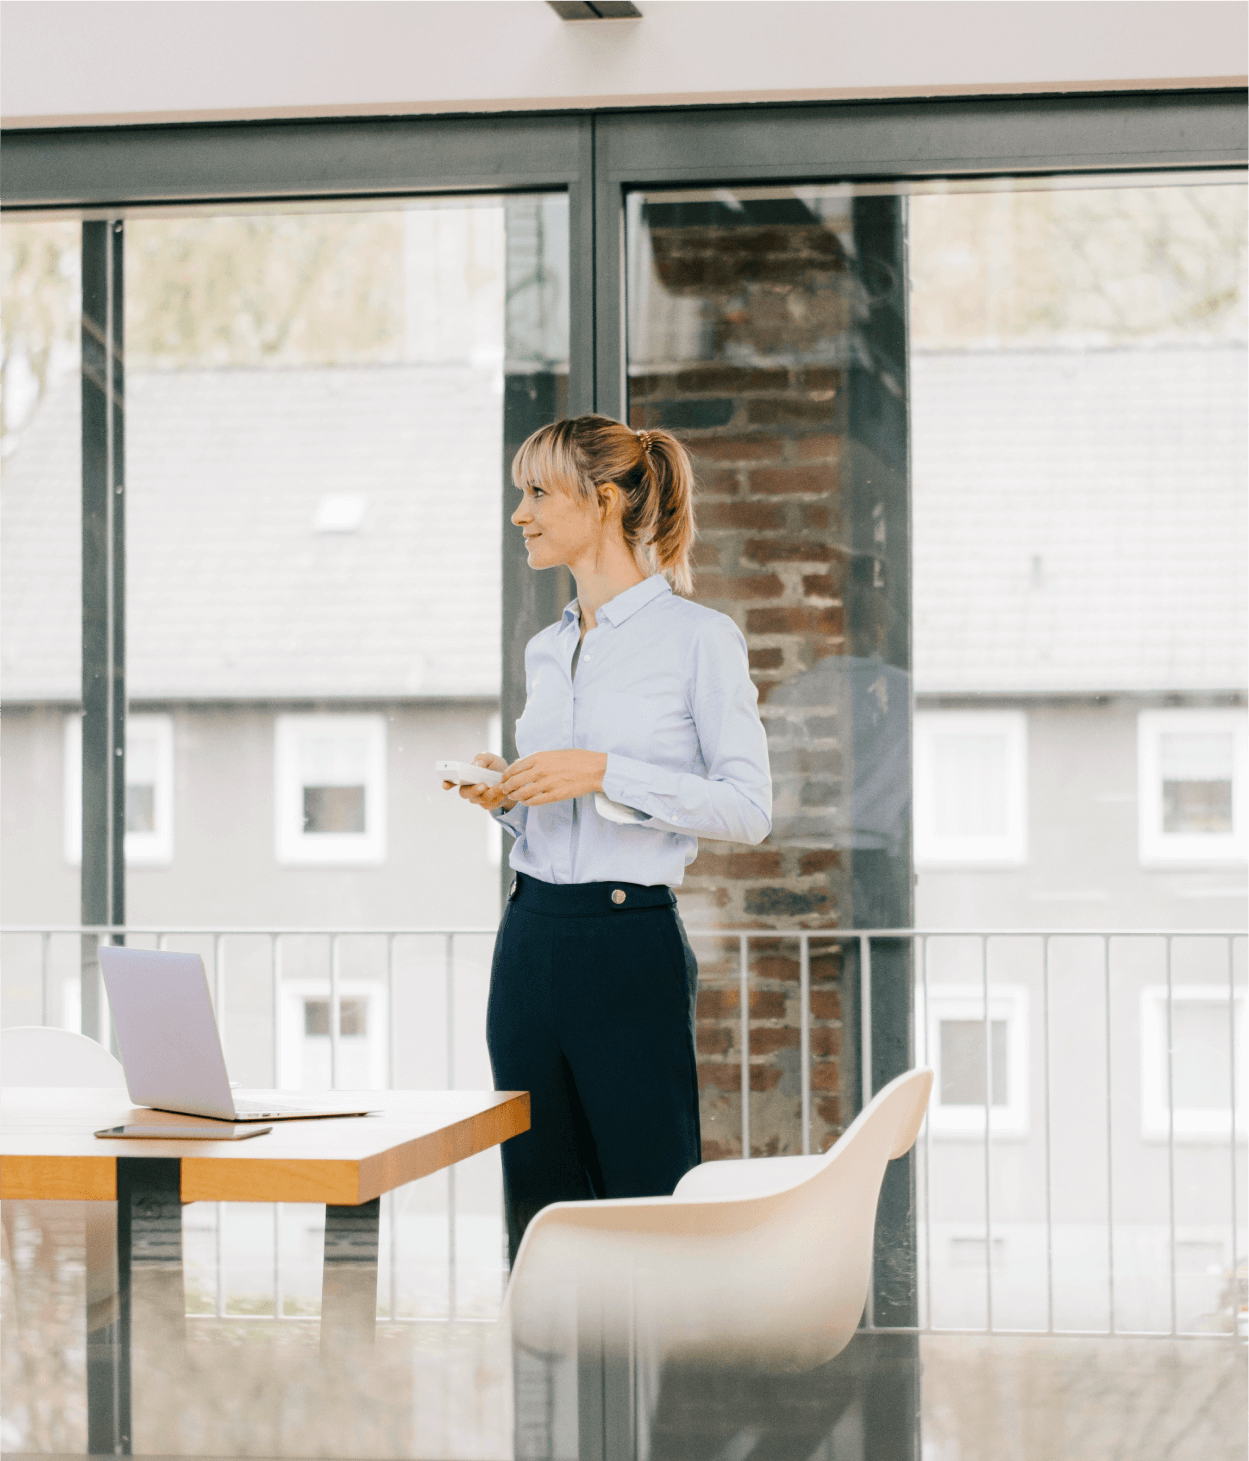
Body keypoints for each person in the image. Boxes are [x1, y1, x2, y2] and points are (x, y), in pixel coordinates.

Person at [444, 413, 772, 1262]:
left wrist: (603, 771)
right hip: (529, 942)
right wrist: (509, 796)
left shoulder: (700, 640)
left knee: (645, 1205)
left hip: (627, 946)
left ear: (603, 500)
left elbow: (746, 807)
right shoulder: (545, 650)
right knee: (539, 1207)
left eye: (537, 493)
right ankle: (554, 1394)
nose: (519, 513)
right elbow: (565, 813)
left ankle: (651, 1394)